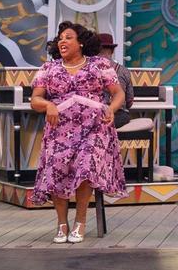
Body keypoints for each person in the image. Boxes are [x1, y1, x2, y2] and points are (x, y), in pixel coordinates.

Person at [30, 21, 127, 244]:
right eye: (60, 38)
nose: (62, 41)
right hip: (60, 130)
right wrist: (48, 105)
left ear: (81, 42)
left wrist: (111, 109)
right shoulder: (49, 68)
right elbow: (35, 99)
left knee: (86, 165)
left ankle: (80, 222)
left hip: (94, 127)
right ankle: (61, 224)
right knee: (56, 166)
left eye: (68, 37)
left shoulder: (99, 65)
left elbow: (118, 93)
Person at [97, 33, 134, 129]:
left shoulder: (89, 69)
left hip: (97, 113)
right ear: (112, 50)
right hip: (120, 115)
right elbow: (129, 101)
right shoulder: (124, 71)